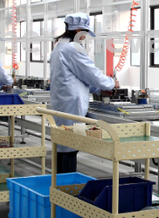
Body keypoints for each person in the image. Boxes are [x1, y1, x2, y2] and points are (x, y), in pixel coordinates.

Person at [49, 13, 118, 174]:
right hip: (71, 104)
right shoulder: (72, 49)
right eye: (85, 33)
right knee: (69, 148)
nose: (85, 37)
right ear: (79, 30)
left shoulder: (60, 47)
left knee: (65, 146)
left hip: (63, 102)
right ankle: (66, 191)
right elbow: (91, 73)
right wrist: (111, 83)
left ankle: (61, 187)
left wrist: (98, 89)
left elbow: (78, 77)